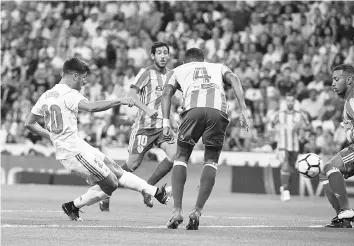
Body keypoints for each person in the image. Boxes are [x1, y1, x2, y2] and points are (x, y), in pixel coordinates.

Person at [24, 58, 170, 221]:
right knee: (111, 183)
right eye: (84, 77)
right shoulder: (70, 94)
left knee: (117, 170)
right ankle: (73, 206)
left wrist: (53, 136)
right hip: (73, 152)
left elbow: (29, 123)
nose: (85, 81)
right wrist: (119, 100)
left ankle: (156, 192)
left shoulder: (46, 95)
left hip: (79, 145)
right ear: (74, 76)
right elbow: (91, 107)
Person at [162, 48, 250, 230]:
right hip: (218, 111)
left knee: (182, 157)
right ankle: (197, 211)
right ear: (203, 60)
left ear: (187, 61)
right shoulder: (218, 67)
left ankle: (177, 210)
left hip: (192, 111)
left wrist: (165, 122)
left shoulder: (177, 70)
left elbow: (166, 93)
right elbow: (234, 78)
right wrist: (243, 109)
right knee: (210, 160)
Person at [99, 42, 176, 211]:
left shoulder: (171, 75)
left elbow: (167, 101)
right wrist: (147, 109)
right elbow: (132, 94)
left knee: (175, 154)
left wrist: (171, 120)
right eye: (159, 53)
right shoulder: (146, 72)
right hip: (144, 127)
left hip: (162, 127)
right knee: (131, 165)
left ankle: (148, 189)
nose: (163, 56)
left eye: (165, 53)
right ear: (152, 56)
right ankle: (104, 191)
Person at [319, 64, 354, 228]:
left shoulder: (352, 101)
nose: (333, 83)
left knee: (330, 168)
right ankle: (343, 217)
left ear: (349, 79)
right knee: (324, 173)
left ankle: (345, 211)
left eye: (337, 79)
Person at [270, 90, 310, 201]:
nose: (290, 103)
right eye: (288, 100)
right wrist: (275, 131)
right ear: (285, 101)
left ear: (295, 101)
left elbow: (308, 126)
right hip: (282, 144)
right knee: (285, 164)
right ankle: (286, 190)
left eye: (292, 101)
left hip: (295, 146)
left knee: (291, 169)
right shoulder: (279, 114)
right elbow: (270, 124)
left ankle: (283, 186)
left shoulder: (300, 114)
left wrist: (301, 128)